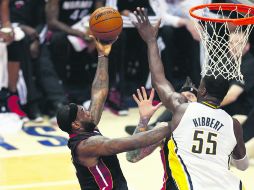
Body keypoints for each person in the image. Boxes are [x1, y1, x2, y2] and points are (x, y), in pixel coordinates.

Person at [130, 8, 249, 189]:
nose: (185, 97)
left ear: (201, 92)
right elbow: (243, 166)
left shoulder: (182, 111)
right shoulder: (232, 125)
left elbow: (159, 80)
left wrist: (151, 40)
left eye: (190, 94)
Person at [56, 37, 170, 190]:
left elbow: (99, 93)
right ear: (76, 124)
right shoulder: (87, 145)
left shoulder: (86, 127)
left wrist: (102, 55)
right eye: (83, 112)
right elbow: (132, 143)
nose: (88, 111)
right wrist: (170, 125)